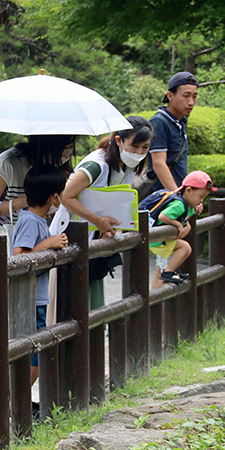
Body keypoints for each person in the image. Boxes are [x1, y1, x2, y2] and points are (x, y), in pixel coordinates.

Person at [58, 116, 154, 308]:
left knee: (92, 297)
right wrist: (97, 220)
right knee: (72, 299)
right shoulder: (96, 165)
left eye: (145, 148)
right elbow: (65, 196)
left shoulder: (129, 166)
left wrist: (106, 226)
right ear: (118, 140)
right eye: (135, 146)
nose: (139, 153)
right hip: (69, 234)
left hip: (94, 239)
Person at [0, 135, 77, 251]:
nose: (70, 154)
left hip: (19, 234)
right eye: (67, 147)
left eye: (71, 147)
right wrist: (28, 200)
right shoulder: (7, 164)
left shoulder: (51, 166)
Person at [12, 166, 69, 385]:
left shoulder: (37, 220)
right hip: (31, 300)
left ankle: (18, 402)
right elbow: (18, 257)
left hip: (36, 298)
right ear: (54, 196)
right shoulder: (30, 221)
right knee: (33, 356)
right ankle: (15, 403)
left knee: (35, 352)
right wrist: (48, 244)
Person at [147, 170, 216, 288]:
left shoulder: (185, 203)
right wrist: (178, 225)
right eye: (200, 196)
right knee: (185, 248)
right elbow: (163, 216)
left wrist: (188, 222)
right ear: (188, 190)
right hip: (158, 239)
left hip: (159, 238)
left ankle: (164, 279)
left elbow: (186, 218)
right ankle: (168, 273)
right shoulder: (179, 204)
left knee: (160, 269)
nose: (201, 201)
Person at [144, 71, 199, 193]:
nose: (191, 102)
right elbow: (159, 164)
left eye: (194, 96)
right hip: (163, 197)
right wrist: (178, 196)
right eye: (186, 96)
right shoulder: (159, 122)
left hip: (175, 195)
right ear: (170, 96)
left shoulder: (180, 121)